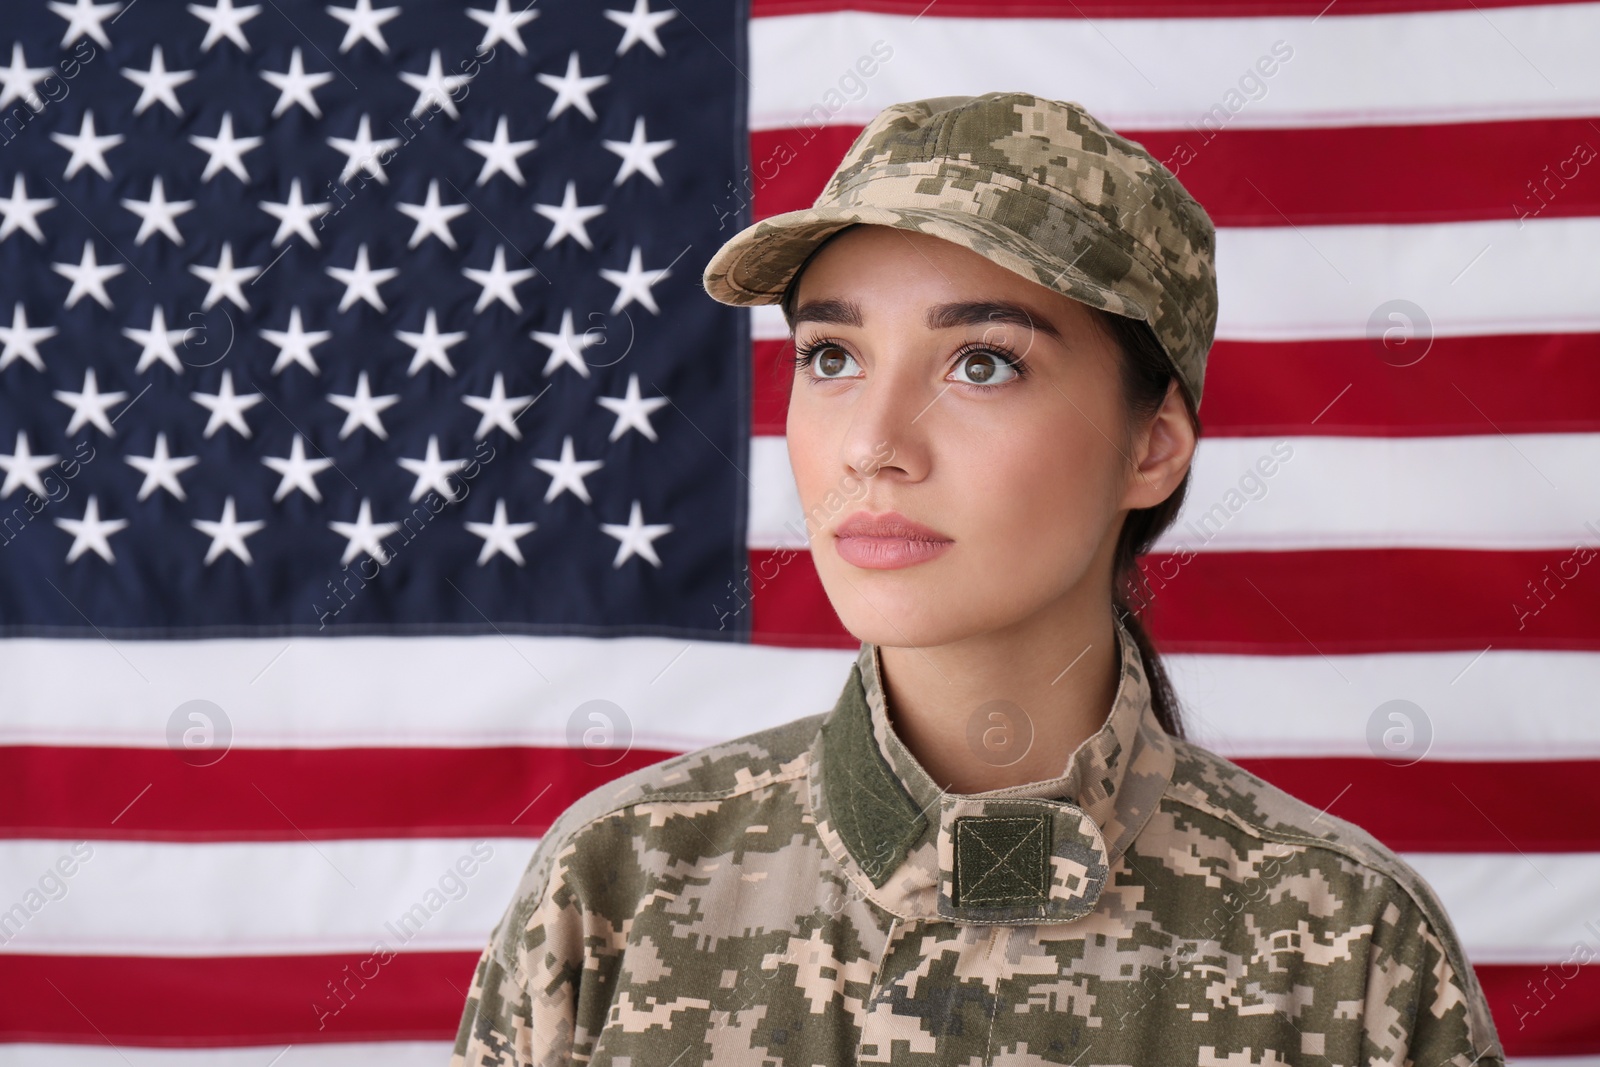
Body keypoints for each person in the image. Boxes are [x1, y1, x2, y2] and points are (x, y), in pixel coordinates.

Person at [449, 92, 1503, 1066]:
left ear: (1152, 446)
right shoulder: (615, 887)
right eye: (830, 356)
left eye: (982, 361)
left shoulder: (1343, 942)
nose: (871, 444)